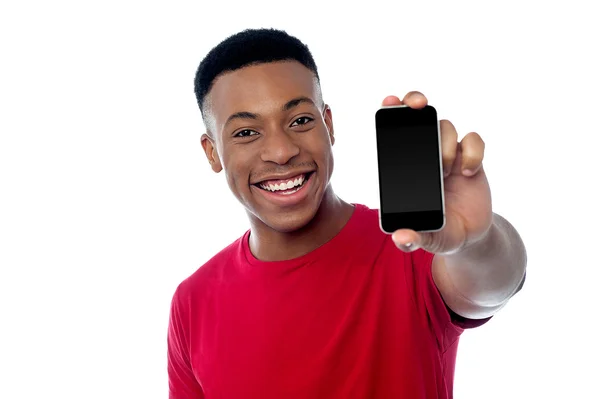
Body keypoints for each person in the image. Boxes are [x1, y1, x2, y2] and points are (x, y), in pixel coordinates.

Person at [167, 28, 527, 399]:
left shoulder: (410, 245)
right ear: (212, 153)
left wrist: (478, 241)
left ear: (329, 125)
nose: (279, 151)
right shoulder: (191, 304)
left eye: (300, 121)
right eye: (246, 132)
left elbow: (494, 285)